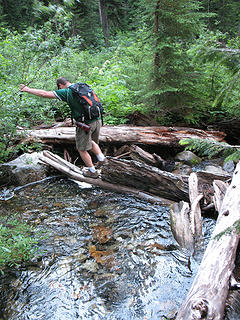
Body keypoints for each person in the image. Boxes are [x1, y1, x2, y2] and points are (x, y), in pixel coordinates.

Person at [20, 77, 106, 178]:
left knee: (81, 149)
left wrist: (27, 89)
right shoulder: (82, 86)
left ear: (60, 85)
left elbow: (44, 94)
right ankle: (102, 160)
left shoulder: (67, 92)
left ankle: (92, 172)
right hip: (97, 119)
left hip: (85, 124)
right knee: (90, 141)